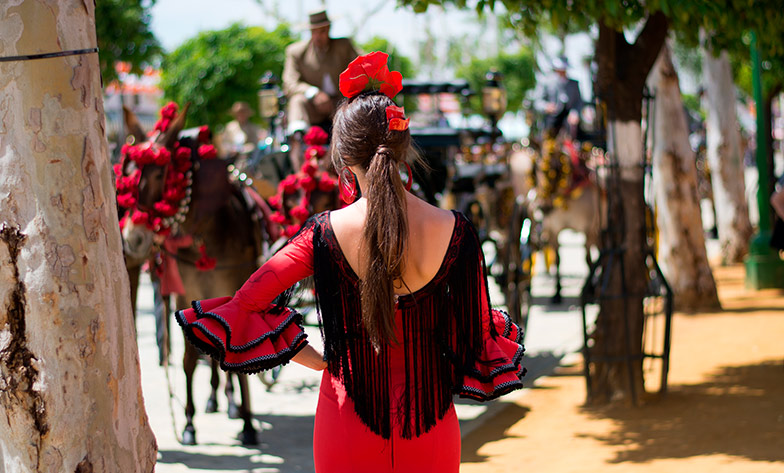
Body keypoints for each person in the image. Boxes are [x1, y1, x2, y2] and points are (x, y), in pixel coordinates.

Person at [176, 52, 526, 472]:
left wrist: (319, 360)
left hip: (347, 416)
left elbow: (247, 302)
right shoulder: (456, 229)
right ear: (402, 147)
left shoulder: (323, 233)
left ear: (342, 158)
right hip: (429, 422)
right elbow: (475, 333)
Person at [282, 9, 360, 137]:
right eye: (314, 32)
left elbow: (363, 66)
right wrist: (313, 93)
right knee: (297, 101)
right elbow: (290, 83)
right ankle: (298, 142)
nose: (318, 36)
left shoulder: (344, 46)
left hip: (341, 104)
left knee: (358, 103)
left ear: (329, 29)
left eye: (322, 31)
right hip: (312, 106)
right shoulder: (296, 52)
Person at [536, 57, 583, 140]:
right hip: (552, 119)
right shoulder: (546, 83)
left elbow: (579, 102)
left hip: (568, 120)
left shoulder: (574, 84)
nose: (561, 72)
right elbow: (537, 102)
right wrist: (546, 106)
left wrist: (575, 113)